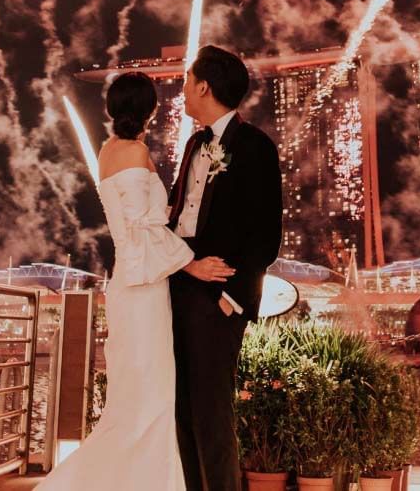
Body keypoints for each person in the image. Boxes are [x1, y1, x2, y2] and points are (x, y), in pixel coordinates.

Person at [36, 72, 236, 491]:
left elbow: (135, 227)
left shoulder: (107, 150)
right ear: (150, 109)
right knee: (151, 396)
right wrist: (193, 264)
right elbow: (145, 230)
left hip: (128, 281)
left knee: (132, 395)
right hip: (145, 286)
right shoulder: (136, 152)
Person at [169, 45, 284, 491]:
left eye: (187, 80)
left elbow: (265, 236)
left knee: (212, 413)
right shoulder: (194, 144)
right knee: (180, 408)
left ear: (203, 86)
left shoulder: (255, 146)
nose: (182, 88)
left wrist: (231, 299)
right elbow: (179, 214)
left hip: (218, 297)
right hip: (179, 284)